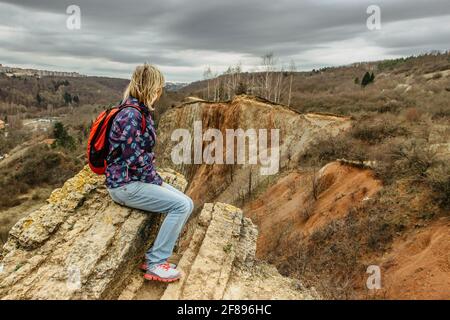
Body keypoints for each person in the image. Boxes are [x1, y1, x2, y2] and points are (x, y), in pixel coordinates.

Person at [106, 63, 193, 282]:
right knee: (180, 205)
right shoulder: (131, 116)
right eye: (158, 88)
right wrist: (155, 181)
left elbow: (136, 156)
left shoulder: (137, 111)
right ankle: (155, 263)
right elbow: (132, 158)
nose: (159, 93)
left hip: (133, 180)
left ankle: (155, 257)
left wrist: (154, 179)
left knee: (188, 203)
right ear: (151, 88)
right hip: (124, 185)